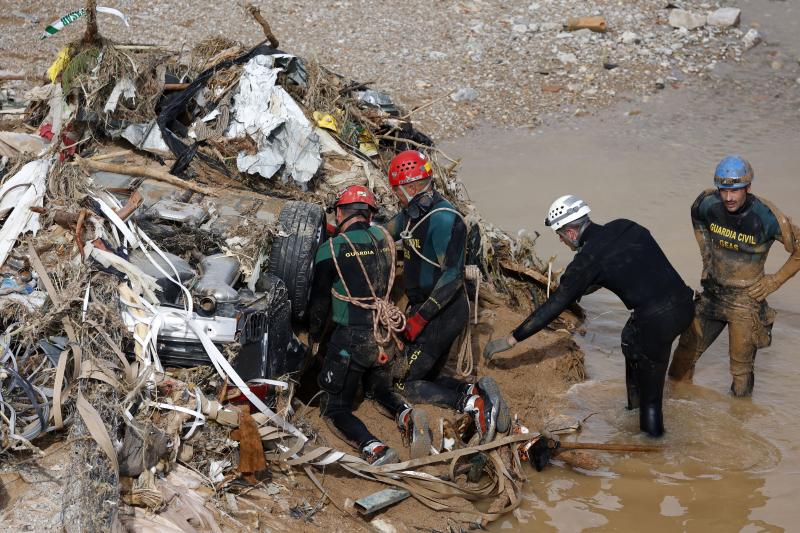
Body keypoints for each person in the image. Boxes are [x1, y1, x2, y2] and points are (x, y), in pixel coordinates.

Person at [483, 195, 694, 437]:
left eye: (560, 235)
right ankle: (631, 413)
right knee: (631, 340)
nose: (561, 241)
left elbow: (554, 306)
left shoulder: (588, 261)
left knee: (652, 403)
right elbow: (636, 266)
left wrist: (512, 339)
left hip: (657, 322)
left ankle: (651, 449)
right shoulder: (625, 225)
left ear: (571, 233)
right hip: (684, 305)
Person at [383, 150, 510, 444]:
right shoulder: (412, 213)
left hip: (442, 313)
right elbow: (385, 234)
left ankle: (473, 405)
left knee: (401, 383)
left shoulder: (444, 220)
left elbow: (452, 278)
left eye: (397, 190)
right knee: (424, 375)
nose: (396, 196)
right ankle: (475, 391)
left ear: (411, 186)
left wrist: (419, 319)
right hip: (428, 310)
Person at [309, 185, 432, 465]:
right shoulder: (385, 239)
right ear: (371, 214)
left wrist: (315, 339)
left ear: (340, 213)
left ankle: (374, 448)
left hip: (352, 340)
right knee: (380, 391)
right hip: (385, 335)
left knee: (334, 408)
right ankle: (406, 415)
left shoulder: (330, 250)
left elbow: (318, 305)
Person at [668, 156, 800, 396]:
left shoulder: (767, 217)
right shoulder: (707, 203)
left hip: (745, 301)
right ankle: (681, 406)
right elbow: (697, 217)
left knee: (740, 374)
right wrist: (707, 255)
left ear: (748, 187)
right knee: (680, 362)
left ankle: (740, 415)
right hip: (712, 294)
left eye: (735, 191)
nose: (728, 198)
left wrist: (774, 281)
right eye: (723, 190)